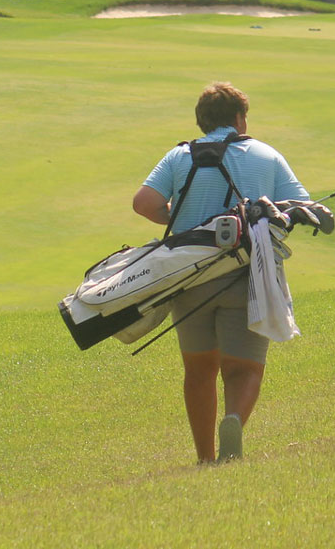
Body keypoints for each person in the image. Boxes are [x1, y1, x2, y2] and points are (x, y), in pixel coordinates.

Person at [133, 82, 309, 464]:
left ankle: (204, 457)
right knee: (243, 369)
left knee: (198, 370)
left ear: (202, 123)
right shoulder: (265, 153)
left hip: (189, 278)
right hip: (248, 275)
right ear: (239, 119)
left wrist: (176, 217)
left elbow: (144, 203)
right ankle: (232, 420)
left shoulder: (178, 156)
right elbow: (301, 205)